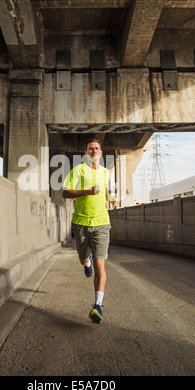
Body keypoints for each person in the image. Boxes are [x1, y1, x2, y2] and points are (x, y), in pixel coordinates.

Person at [62, 139, 118, 324]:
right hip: (81, 223)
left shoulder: (105, 173)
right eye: (90, 149)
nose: (93, 151)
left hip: (102, 223)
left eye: (96, 148)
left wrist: (111, 198)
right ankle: (87, 264)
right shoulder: (78, 171)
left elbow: (105, 191)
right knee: (83, 258)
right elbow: (65, 192)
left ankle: (98, 306)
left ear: (101, 152)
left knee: (101, 266)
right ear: (86, 153)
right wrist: (86, 192)